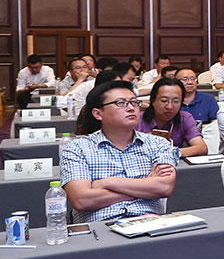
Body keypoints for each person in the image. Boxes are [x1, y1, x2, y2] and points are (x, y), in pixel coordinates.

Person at [60, 80, 178, 223]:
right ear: (98, 114)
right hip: (100, 227)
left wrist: (108, 182)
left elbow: (164, 188)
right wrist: (146, 186)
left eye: (134, 102)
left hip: (150, 224)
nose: (131, 108)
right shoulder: (77, 148)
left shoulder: (158, 143)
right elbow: (82, 200)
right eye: (121, 103)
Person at [137, 78, 209, 157]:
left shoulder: (185, 118)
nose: (170, 106)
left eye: (176, 101)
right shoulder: (136, 120)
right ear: (153, 101)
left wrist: (173, 152)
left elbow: (201, 148)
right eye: (164, 101)